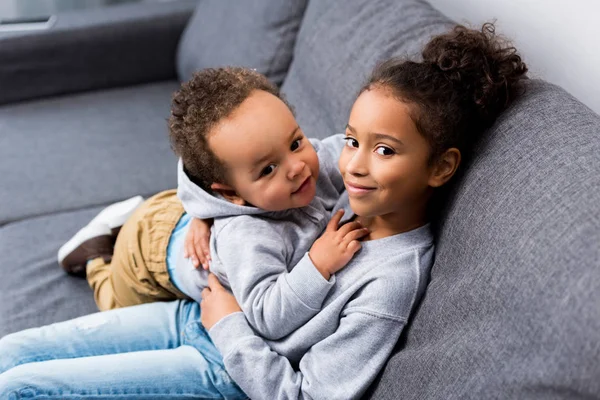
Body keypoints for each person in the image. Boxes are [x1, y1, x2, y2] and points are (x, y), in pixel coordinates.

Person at [0, 24, 527, 399]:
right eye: (351, 139)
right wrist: (204, 214)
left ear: (441, 168)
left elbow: (305, 394)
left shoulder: (389, 284)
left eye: (385, 150)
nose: (355, 165)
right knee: (12, 352)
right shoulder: (337, 173)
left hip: (227, 365)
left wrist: (229, 324)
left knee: (21, 389)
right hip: (199, 311)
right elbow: (224, 168)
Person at [57, 67, 366, 345]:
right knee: (114, 307)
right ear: (229, 193)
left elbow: (359, 151)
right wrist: (318, 264)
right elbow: (267, 316)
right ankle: (95, 252)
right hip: (145, 260)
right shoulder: (248, 238)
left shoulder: (312, 159)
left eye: (295, 142)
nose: (297, 167)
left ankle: (135, 217)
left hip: (177, 217)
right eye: (268, 170)